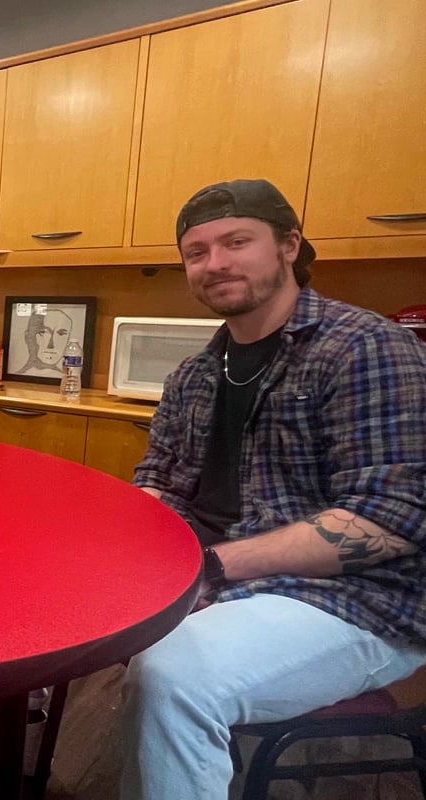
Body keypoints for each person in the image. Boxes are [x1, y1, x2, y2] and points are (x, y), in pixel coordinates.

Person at [120, 179, 426, 798]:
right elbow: (159, 480)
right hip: (218, 572)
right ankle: (20, 724)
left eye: (237, 242)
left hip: (354, 601)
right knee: (42, 587)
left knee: (170, 678)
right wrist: (119, 537)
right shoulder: (196, 371)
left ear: (289, 245)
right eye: (197, 252)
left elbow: (391, 518)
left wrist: (206, 568)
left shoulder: (366, 348)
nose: (216, 263)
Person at [13, 306, 73, 377]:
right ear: (27, 337)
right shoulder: (15, 377)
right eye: (43, 332)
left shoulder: (69, 381)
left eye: (61, 334)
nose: (51, 345)